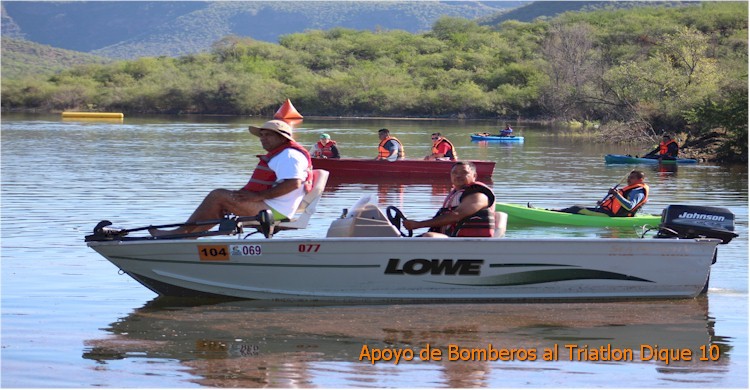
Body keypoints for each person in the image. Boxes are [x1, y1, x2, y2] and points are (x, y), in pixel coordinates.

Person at [149, 120, 312, 237]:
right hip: (270, 207)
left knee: (218, 195)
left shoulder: (289, 156)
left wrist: (258, 196)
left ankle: (181, 232)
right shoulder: (282, 154)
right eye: (262, 135)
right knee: (220, 199)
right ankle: (186, 237)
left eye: (268, 135)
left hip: (274, 212)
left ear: (283, 138)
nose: (263, 138)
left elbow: (294, 183)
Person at [403, 161, 496, 237]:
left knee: (429, 237)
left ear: (474, 176)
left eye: (464, 173)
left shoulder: (478, 195)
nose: (458, 176)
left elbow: (457, 215)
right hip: (451, 239)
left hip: (468, 244)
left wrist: (418, 224)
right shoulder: (456, 194)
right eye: (454, 173)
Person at [555, 170, 649, 217]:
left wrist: (616, 194)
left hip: (613, 216)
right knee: (577, 208)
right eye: (628, 177)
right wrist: (603, 204)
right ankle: (554, 211)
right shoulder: (632, 189)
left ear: (640, 180)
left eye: (632, 178)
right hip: (608, 212)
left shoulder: (638, 192)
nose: (628, 180)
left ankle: (555, 213)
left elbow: (630, 206)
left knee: (577, 209)